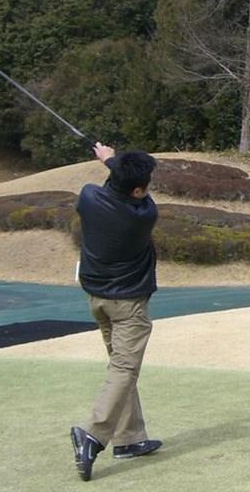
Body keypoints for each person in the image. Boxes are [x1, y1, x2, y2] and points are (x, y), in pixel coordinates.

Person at [70, 143, 162, 481]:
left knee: (122, 368)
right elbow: (133, 194)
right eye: (147, 184)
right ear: (137, 191)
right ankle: (93, 434)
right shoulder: (144, 214)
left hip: (97, 299)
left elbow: (115, 186)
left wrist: (110, 161)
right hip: (128, 305)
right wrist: (111, 161)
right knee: (124, 369)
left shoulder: (88, 197)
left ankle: (129, 438)